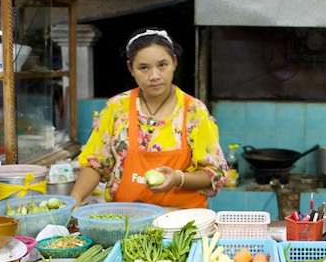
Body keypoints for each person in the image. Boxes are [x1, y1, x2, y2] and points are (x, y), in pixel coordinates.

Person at [70, 27, 229, 208]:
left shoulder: (195, 112)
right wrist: (75, 199)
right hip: (126, 220)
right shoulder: (116, 108)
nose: (154, 76)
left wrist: (178, 178)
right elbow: (96, 163)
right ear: (131, 68)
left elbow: (214, 173)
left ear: (174, 62)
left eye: (162, 65)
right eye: (144, 68)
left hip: (182, 221)